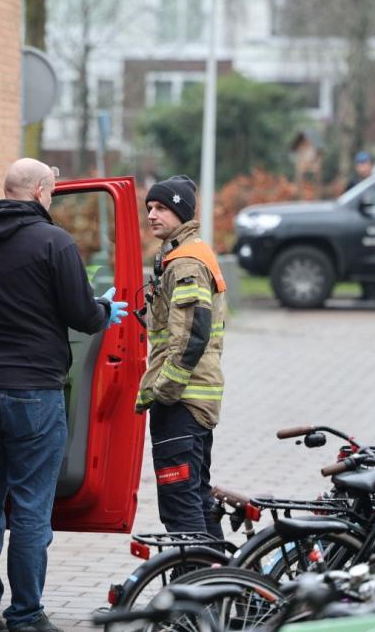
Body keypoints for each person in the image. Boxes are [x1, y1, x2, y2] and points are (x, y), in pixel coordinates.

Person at [0, 158, 127, 632]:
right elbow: (81, 315)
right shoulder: (54, 242)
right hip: (34, 392)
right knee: (31, 509)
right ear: (38, 192)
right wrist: (104, 309)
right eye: (51, 191)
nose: (51, 198)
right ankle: (26, 615)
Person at [136, 175, 228, 540]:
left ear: (181, 212)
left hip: (182, 400)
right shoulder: (184, 253)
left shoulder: (185, 262)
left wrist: (164, 391)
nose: (152, 215)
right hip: (196, 399)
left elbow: (192, 335)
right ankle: (217, 572)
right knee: (197, 498)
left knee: (180, 504)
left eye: (161, 207)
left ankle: (194, 573)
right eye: (149, 208)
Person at [347, 152, 375, 302]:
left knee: (374, 260)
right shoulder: (353, 183)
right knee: (361, 260)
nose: (362, 167)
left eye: (365, 164)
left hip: (374, 225)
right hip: (358, 227)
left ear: (370, 165)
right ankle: (365, 293)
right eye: (360, 164)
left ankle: (373, 293)